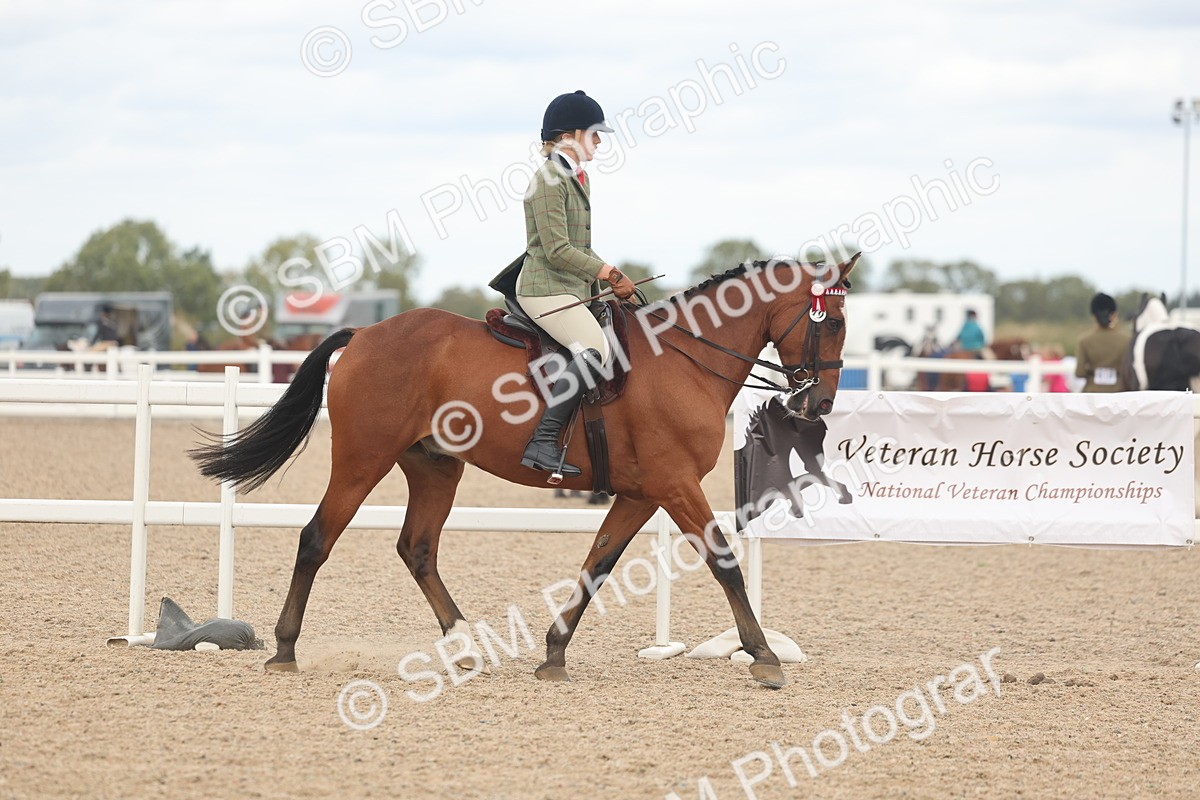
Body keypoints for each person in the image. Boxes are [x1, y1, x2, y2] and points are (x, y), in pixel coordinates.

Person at [490, 90, 637, 478]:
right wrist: (608, 272)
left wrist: (604, 280)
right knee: (593, 348)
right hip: (544, 287)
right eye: (594, 134)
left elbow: (579, 246)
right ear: (570, 135)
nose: (600, 142)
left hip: (572, 287)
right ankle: (542, 442)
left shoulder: (576, 177)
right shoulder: (548, 181)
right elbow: (556, 250)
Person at [1076, 293, 1130, 392]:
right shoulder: (1127, 340)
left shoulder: (1084, 340)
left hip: (1092, 393)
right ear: (1114, 315)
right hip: (1119, 393)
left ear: (1093, 316)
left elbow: (1080, 372)